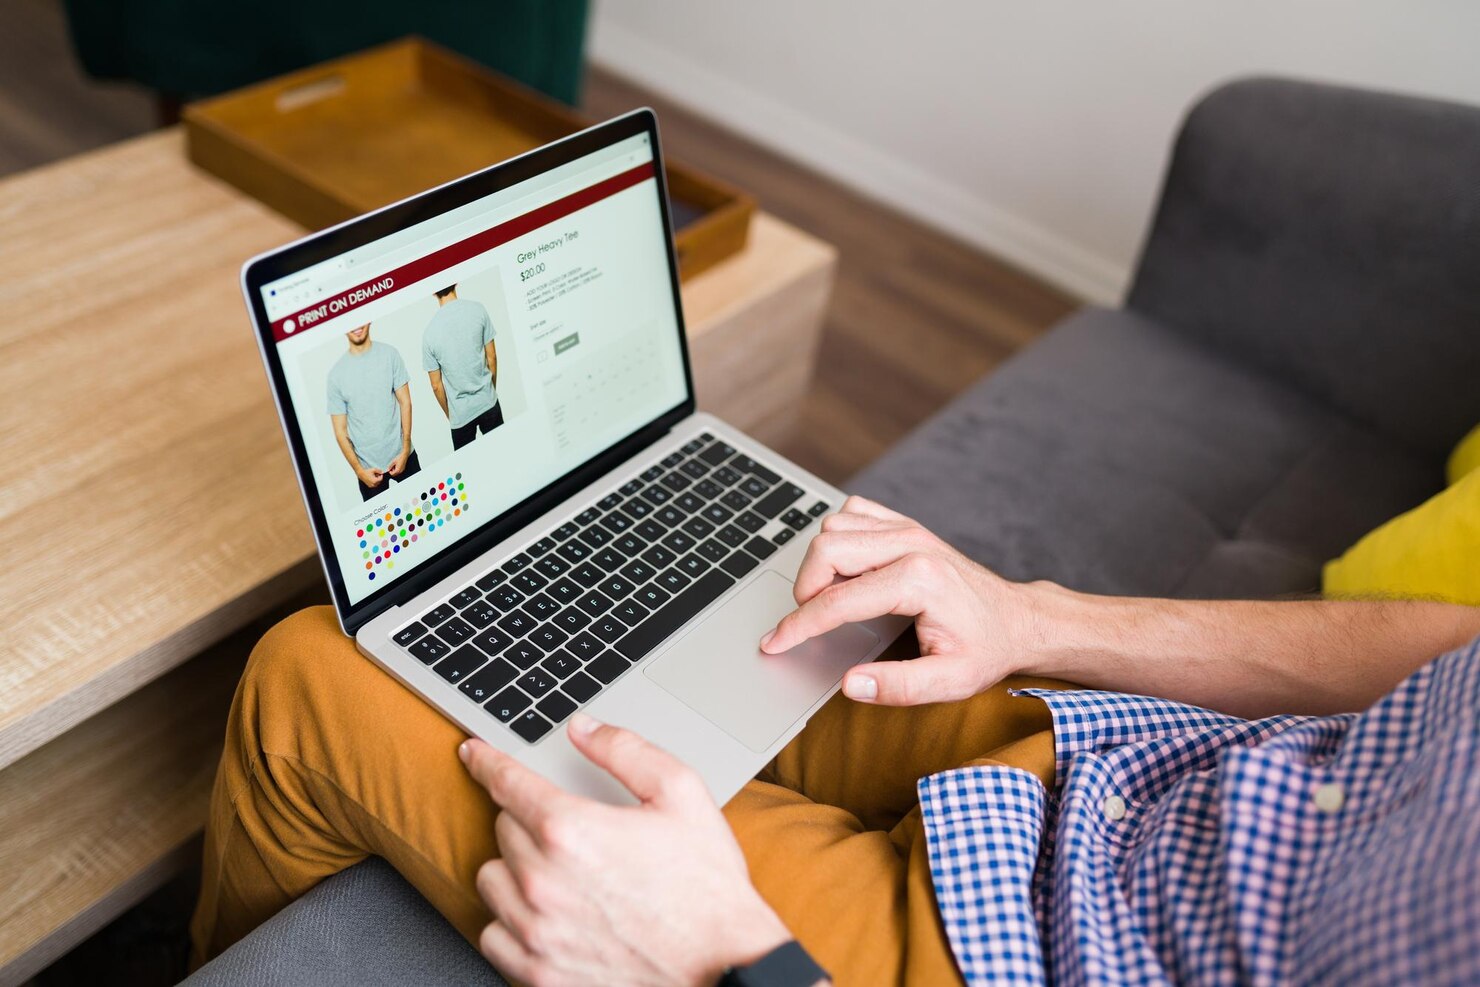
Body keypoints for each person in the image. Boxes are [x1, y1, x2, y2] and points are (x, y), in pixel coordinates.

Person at [190, 496, 1480, 986]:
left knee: (313, 672)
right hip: (1112, 759)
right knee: (750, 576)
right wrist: (1028, 617)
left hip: (999, 962)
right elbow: (1455, 644)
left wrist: (729, 967)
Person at [327, 323, 418, 502]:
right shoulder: (336, 376)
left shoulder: (389, 354)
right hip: (368, 470)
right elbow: (340, 431)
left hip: (404, 454)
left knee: (427, 513)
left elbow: (405, 402)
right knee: (384, 529)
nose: (355, 325)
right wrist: (360, 471)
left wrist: (405, 449)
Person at [423, 284, 503, 450]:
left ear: (433, 292)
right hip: (488, 402)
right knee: (502, 456)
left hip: (460, 415)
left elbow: (436, 386)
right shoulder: (477, 310)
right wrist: (489, 391)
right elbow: (492, 357)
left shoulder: (429, 333)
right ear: (455, 282)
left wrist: (451, 414)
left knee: (470, 471)